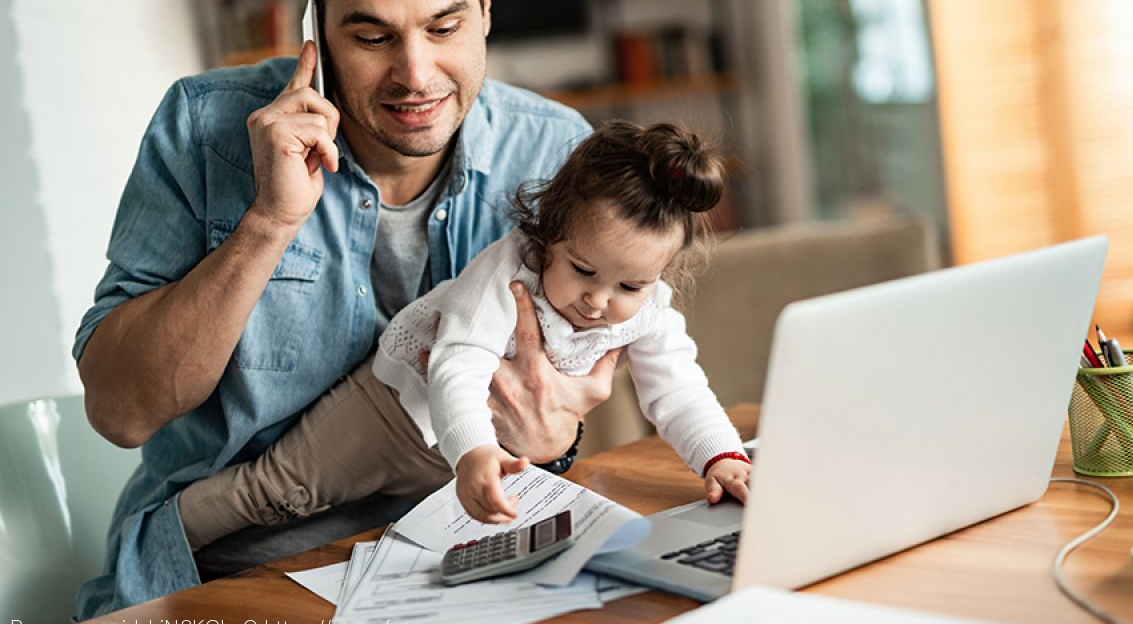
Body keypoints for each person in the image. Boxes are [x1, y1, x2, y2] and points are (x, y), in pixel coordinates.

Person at [72, 0, 612, 619]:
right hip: (232, 573)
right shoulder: (203, 131)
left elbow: (572, 393)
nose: (416, 74)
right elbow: (120, 412)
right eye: (371, 36)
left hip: (465, 555)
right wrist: (268, 222)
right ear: (315, 32)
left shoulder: (558, 153)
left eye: (444, 27)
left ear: (485, 8)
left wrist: (558, 433)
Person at [176, 120, 752, 548]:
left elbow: (678, 389)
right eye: (582, 271)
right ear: (550, 233)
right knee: (277, 494)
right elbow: (459, 364)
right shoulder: (508, 271)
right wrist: (475, 451)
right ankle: (169, 536)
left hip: (467, 455)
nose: (599, 302)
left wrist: (720, 459)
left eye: (631, 285)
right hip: (394, 411)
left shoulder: (649, 311)